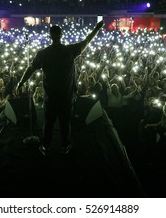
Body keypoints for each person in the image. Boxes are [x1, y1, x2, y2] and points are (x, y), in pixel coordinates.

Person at [16, 20, 105, 156]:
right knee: (65, 122)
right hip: (66, 96)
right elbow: (87, 41)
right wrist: (97, 29)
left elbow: (31, 68)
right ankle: (65, 146)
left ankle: (46, 146)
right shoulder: (70, 50)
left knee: (49, 122)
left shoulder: (43, 53)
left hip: (50, 96)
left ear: (50, 36)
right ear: (61, 35)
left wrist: (21, 82)